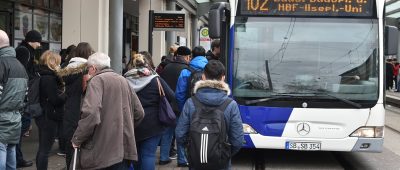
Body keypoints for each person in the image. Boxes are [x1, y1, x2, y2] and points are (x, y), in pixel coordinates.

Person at [72, 52, 144, 170]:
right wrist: (125, 128)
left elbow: (91, 114)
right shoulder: (123, 80)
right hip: (123, 149)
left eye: (88, 69)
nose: (88, 72)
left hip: (102, 152)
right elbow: (139, 112)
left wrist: (77, 138)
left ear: (93, 68)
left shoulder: (96, 81)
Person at [176, 60, 244, 170]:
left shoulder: (191, 102)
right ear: (223, 78)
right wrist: (225, 155)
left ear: (203, 77)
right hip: (221, 164)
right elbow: (237, 140)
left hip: (196, 163)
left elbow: (180, 135)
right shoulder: (230, 105)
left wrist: (192, 151)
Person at [124, 54, 174, 170]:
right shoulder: (155, 80)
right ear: (147, 64)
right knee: (148, 155)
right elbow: (172, 96)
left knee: (135, 155)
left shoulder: (124, 80)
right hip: (153, 123)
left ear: (131, 65)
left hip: (132, 122)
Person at [57, 42, 93, 170]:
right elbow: (86, 90)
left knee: (70, 143)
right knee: (82, 142)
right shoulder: (86, 68)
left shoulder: (65, 67)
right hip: (81, 108)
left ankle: (69, 166)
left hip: (68, 108)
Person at [158, 46, 192, 165]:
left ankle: (163, 157)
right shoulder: (186, 70)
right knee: (181, 133)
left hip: (167, 105)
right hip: (179, 106)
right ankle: (182, 159)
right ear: (187, 57)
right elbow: (182, 92)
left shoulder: (167, 67)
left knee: (167, 132)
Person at [0, 29, 28, 170]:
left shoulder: (1, 64)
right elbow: (25, 95)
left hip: (2, 118)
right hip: (15, 117)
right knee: (10, 151)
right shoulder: (20, 66)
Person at [15, 29, 42, 168]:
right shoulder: (24, 51)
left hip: (22, 93)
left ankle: (16, 158)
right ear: (32, 40)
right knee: (21, 126)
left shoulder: (25, 50)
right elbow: (22, 72)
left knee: (21, 126)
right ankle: (16, 158)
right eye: (38, 41)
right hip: (23, 94)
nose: (39, 45)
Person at [35, 51, 66, 170]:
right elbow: (55, 100)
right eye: (57, 62)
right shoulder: (49, 78)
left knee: (43, 148)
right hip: (49, 117)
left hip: (44, 115)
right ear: (51, 62)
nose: (59, 64)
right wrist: (66, 94)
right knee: (45, 150)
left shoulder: (41, 74)